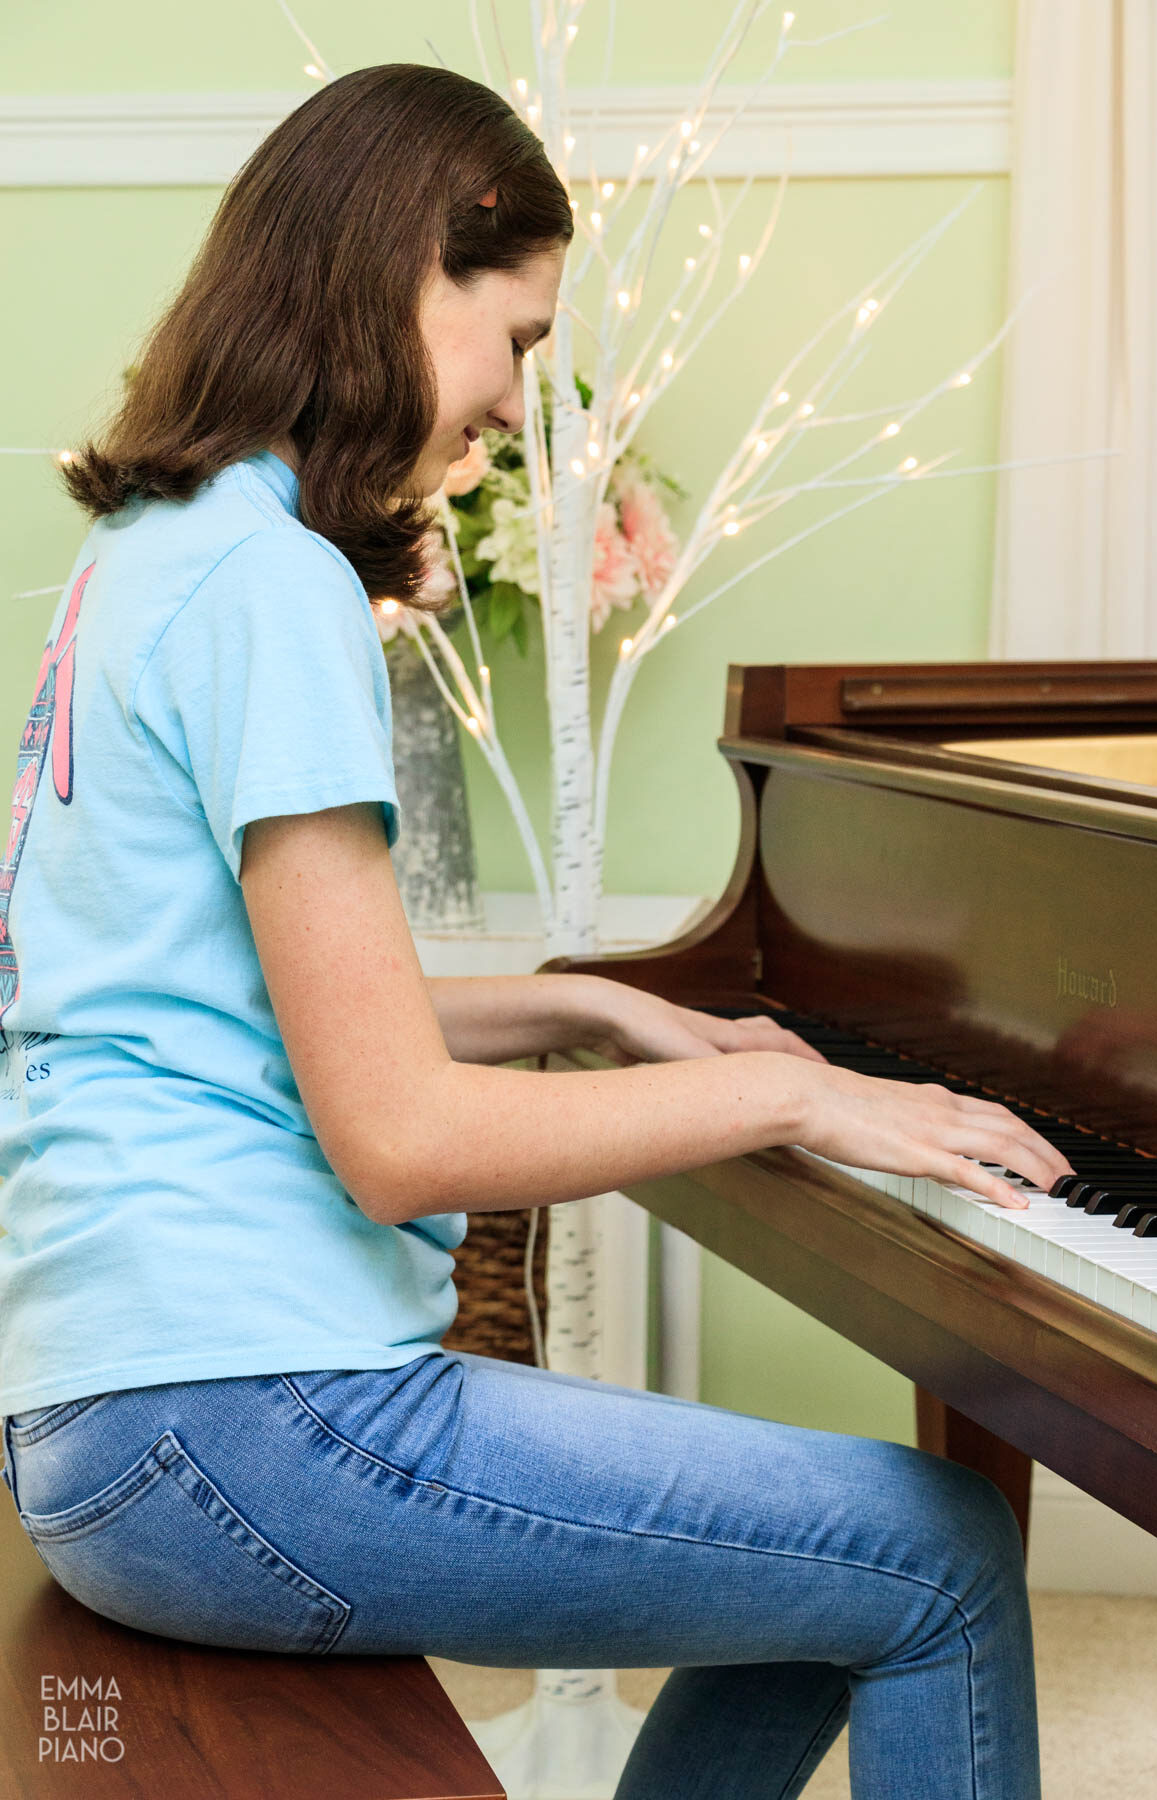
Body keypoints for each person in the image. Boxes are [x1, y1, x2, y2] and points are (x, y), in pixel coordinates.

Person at [0, 63, 1070, 1799]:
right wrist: (800, 1099)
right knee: (932, 1553)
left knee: (826, 1577)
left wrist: (605, 1006)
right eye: (514, 337)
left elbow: (253, 1004)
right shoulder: (273, 589)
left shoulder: (157, 547)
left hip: (120, 1405)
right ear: (408, 274)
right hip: (242, 1420)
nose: (508, 403)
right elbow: (403, 1140)